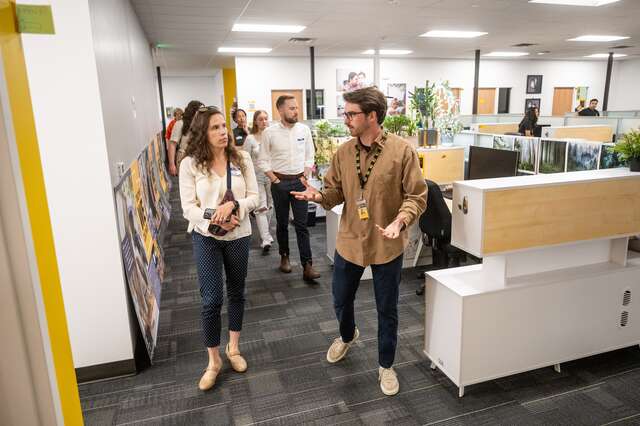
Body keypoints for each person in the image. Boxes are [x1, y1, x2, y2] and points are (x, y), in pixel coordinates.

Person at [291, 87, 427, 396]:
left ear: (372, 116)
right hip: (350, 240)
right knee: (340, 298)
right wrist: (318, 196)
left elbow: (417, 196)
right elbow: (335, 193)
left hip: (386, 242)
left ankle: (386, 365)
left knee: (387, 309)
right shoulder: (343, 152)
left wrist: (400, 220)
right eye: (346, 113)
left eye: (351, 114)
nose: (346, 119)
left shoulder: (401, 151)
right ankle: (347, 334)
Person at [179, 106, 259, 392]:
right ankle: (213, 361)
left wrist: (235, 205)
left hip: (239, 235)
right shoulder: (190, 165)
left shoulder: (242, 158)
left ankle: (234, 349)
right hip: (206, 237)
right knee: (211, 300)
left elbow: (253, 196)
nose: (223, 132)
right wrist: (217, 215)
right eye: (215, 127)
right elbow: (189, 208)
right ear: (202, 132)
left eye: (224, 126)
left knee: (237, 292)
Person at [258, 94, 320, 281]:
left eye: (296, 107)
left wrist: (306, 173)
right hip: (280, 182)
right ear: (281, 110)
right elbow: (263, 160)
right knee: (282, 223)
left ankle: (307, 265)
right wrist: (275, 180)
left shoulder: (304, 130)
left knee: (302, 224)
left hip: (300, 182)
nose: (296, 111)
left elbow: (310, 155)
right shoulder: (269, 133)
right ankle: (284, 256)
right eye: (292, 108)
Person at [244, 110, 274, 254]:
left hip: (272, 175)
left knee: (270, 205)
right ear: (255, 121)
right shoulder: (250, 139)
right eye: (260, 119)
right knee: (260, 206)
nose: (264, 121)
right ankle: (266, 239)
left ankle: (266, 232)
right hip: (256, 177)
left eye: (266, 119)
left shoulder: (272, 136)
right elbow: (245, 160)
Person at [169, 100, 203, 175]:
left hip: (199, 157)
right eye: (199, 112)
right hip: (184, 157)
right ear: (193, 111)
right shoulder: (180, 123)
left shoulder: (200, 124)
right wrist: (172, 164)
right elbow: (172, 144)